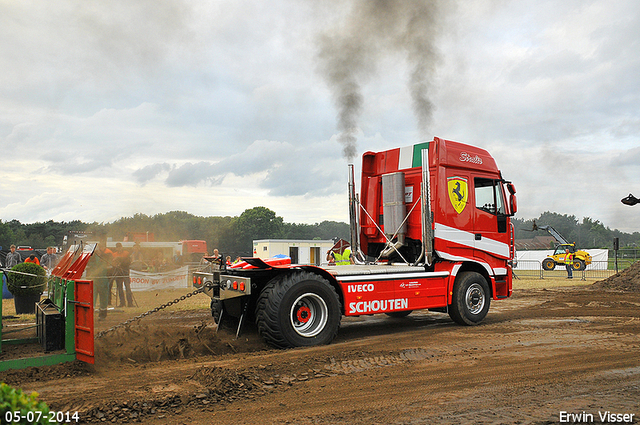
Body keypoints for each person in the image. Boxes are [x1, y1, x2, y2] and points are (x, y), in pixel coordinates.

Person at [87, 240, 113, 320]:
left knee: (104, 298)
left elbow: (109, 265)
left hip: (103, 280)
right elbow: (88, 266)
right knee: (92, 298)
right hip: (94, 280)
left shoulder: (106, 256)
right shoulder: (91, 258)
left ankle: (102, 315)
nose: (98, 251)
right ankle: (90, 315)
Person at [112, 243, 133, 307]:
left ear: (121, 247)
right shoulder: (114, 254)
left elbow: (128, 262)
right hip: (118, 273)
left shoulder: (126, 253)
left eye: (120, 247)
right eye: (117, 247)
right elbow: (113, 263)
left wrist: (120, 259)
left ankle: (130, 303)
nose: (119, 248)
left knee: (128, 288)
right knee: (120, 289)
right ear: (116, 248)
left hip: (125, 271)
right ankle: (122, 303)